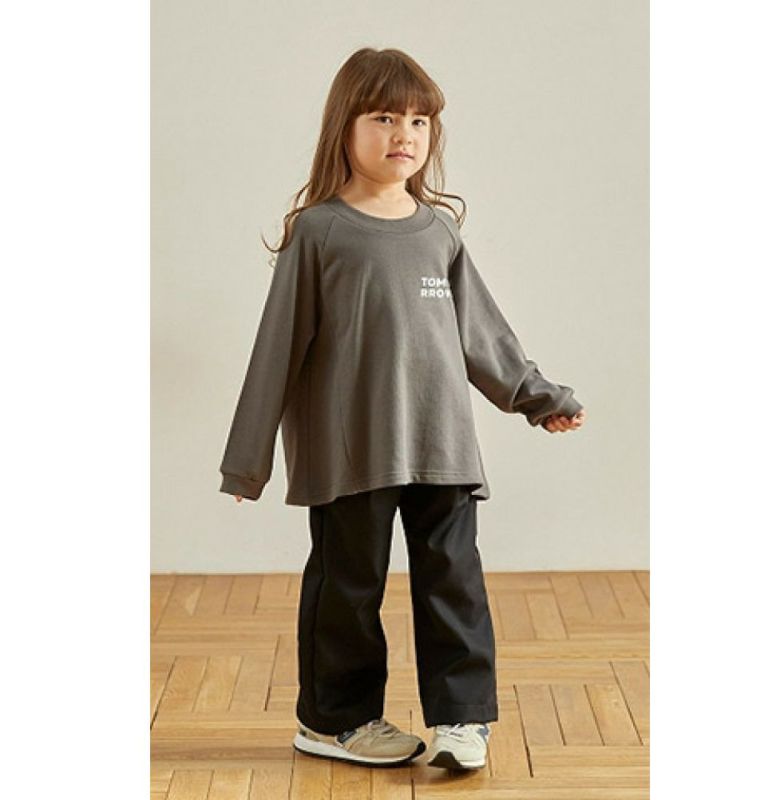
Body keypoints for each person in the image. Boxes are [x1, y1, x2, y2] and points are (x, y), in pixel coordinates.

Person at [218, 47, 585, 772]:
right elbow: (275, 351)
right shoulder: (319, 231)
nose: (404, 134)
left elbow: (481, 334)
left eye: (419, 121)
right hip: (351, 450)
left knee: (454, 581)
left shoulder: (439, 230)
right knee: (348, 587)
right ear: (345, 127)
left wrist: (536, 397)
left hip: (442, 445)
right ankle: (334, 722)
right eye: (385, 117)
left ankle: (461, 719)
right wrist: (246, 463)